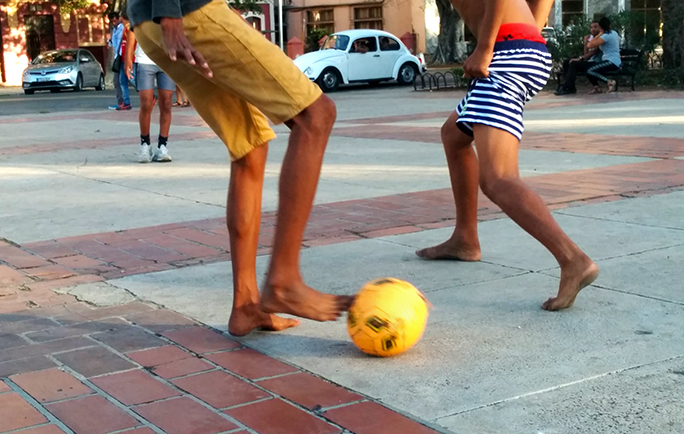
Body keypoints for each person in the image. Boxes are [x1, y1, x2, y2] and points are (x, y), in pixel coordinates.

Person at [127, 0, 353, 335]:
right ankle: (285, 280)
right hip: (185, 13)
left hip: (153, 22)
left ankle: (246, 306)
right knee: (316, 115)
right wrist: (170, 13)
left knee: (249, 146)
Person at [415, 0, 599, 311]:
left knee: (498, 178)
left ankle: (573, 260)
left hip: (505, 52)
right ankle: (465, 239)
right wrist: (530, 38)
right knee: (454, 136)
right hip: (517, 46)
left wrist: (486, 47)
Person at [124, 27, 175, 163]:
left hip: (167, 60)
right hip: (145, 60)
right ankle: (145, 144)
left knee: (166, 103)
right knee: (146, 103)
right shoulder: (142, 12)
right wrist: (128, 58)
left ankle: (162, 146)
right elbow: (132, 31)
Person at [555, 20, 602, 95]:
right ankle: (570, 87)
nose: (593, 29)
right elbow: (586, 54)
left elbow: (594, 52)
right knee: (567, 62)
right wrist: (585, 43)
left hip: (596, 62)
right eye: (591, 27)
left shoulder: (601, 38)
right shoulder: (590, 38)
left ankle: (567, 87)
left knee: (574, 63)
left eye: (595, 27)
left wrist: (580, 58)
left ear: (600, 28)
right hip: (589, 61)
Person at [584, 17, 620, 94]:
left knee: (590, 71)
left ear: (600, 27)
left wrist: (599, 34)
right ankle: (597, 88)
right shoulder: (614, 33)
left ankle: (609, 82)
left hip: (611, 62)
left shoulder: (605, 36)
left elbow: (589, 45)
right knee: (587, 68)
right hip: (613, 61)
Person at [107, 12, 125, 110]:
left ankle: (151, 96)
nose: (114, 23)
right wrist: (109, 40)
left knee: (129, 79)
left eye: (115, 21)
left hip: (122, 57)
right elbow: (114, 44)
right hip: (117, 57)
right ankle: (120, 101)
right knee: (117, 81)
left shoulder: (122, 28)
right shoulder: (114, 29)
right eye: (112, 22)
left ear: (118, 19)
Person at [117, 12, 132, 110]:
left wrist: (128, 58)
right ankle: (126, 102)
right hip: (123, 58)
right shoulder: (124, 28)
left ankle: (150, 96)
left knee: (133, 79)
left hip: (128, 59)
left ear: (122, 17)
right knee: (123, 81)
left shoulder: (128, 28)